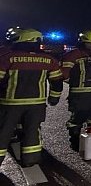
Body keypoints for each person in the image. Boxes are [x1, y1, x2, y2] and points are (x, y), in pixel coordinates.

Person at [0, 29, 64, 166]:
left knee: (3, 132)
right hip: (37, 105)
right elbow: (57, 82)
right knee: (32, 131)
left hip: (10, 104)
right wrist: (54, 98)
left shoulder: (7, 58)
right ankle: (31, 160)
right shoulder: (49, 60)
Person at [61, 29, 91, 152]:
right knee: (78, 118)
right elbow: (64, 74)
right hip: (80, 94)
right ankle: (75, 142)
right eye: (90, 43)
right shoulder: (73, 54)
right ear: (82, 42)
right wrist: (75, 83)